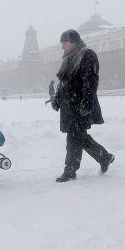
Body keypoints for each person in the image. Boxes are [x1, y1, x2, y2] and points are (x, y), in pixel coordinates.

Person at [50, 29, 115, 182]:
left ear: (73, 42)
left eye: (64, 43)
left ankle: (70, 170)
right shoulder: (68, 57)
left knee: (73, 138)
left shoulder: (87, 54)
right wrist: (57, 99)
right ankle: (104, 157)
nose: (62, 46)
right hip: (68, 105)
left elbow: (91, 81)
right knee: (79, 137)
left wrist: (86, 103)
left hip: (79, 105)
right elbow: (63, 83)